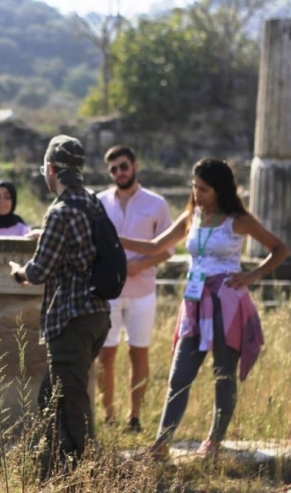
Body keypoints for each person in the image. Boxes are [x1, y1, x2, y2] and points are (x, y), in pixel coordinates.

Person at [120, 158, 289, 459]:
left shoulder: (237, 220)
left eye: (204, 189)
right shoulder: (192, 215)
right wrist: (112, 237)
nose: (197, 193)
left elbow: (280, 249)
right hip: (195, 304)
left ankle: (214, 442)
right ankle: (161, 445)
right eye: (194, 186)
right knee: (180, 374)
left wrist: (253, 275)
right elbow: (154, 246)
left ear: (220, 190)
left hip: (227, 301)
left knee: (223, 373)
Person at [9, 135, 111, 480]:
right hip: (97, 314)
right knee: (53, 398)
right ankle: (56, 473)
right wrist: (46, 235)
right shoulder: (92, 202)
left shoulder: (60, 210)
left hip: (71, 318)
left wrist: (18, 272)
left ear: (51, 169)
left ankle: (84, 475)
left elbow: (39, 271)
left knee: (68, 404)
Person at [96, 145, 173, 433]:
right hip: (109, 290)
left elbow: (168, 250)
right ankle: (108, 414)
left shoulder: (156, 203)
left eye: (123, 166)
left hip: (142, 289)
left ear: (135, 166)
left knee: (138, 353)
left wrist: (141, 265)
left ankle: (135, 417)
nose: (119, 173)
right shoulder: (100, 201)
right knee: (106, 353)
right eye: (114, 169)